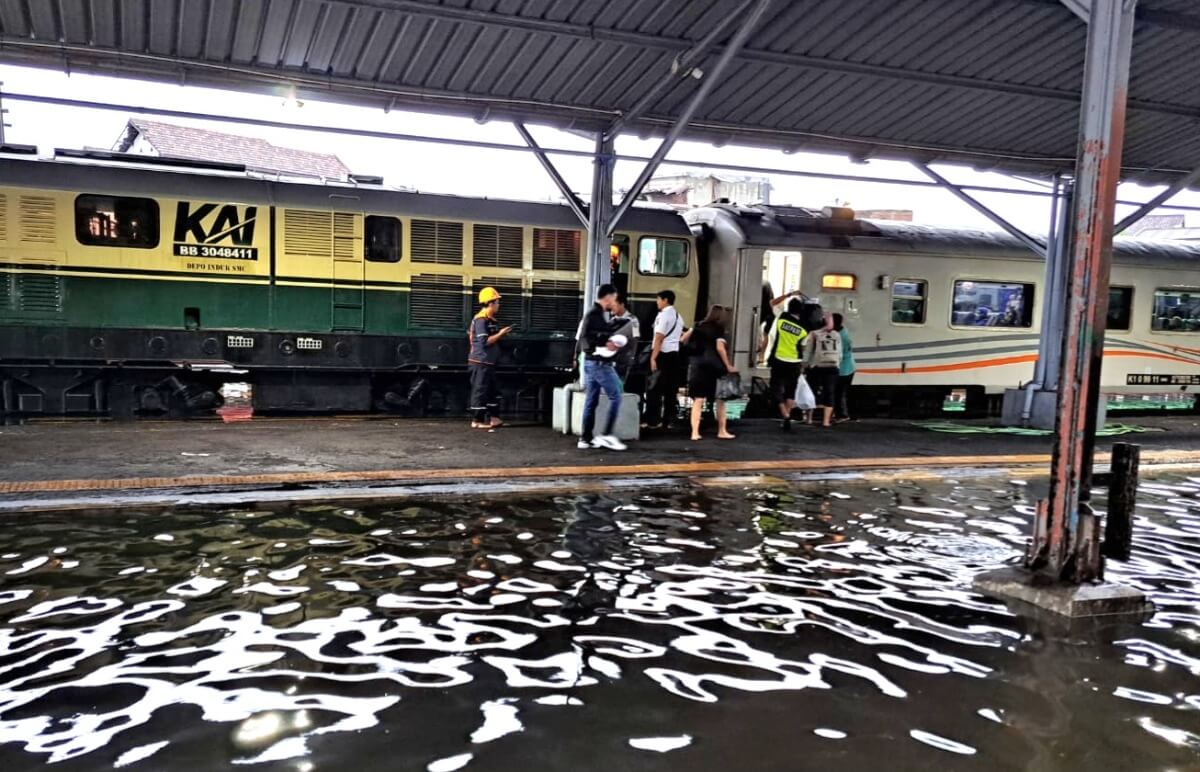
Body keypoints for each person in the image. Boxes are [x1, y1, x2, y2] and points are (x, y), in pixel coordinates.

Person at [577, 283, 628, 451]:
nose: (614, 302)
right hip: (599, 363)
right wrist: (605, 343)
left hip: (591, 362)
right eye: (613, 299)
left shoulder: (594, 314)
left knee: (591, 400)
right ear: (608, 297)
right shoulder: (594, 315)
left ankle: (585, 438)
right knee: (616, 395)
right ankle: (606, 435)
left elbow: (586, 336)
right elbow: (588, 337)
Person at [682, 304, 737, 441]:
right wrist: (728, 365)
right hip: (714, 367)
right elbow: (720, 348)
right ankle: (722, 431)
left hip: (697, 365)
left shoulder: (697, 325)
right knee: (720, 400)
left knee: (698, 400)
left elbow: (683, 340)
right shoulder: (719, 329)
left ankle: (695, 433)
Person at [467, 286, 513, 429]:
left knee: (493, 391)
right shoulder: (481, 320)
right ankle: (477, 421)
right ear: (491, 303)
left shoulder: (491, 320)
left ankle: (494, 418)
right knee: (480, 390)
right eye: (497, 302)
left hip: (490, 362)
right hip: (480, 361)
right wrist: (501, 334)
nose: (499, 305)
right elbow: (484, 342)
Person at [761, 298, 808, 430]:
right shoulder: (804, 329)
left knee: (776, 387)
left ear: (789, 308)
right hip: (795, 361)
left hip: (779, 358)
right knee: (791, 390)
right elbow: (803, 347)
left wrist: (789, 294)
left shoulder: (781, 318)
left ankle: (784, 413)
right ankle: (786, 417)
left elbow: (772, 303)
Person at [643, 289, 684, 429]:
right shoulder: (679, 317)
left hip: (662, 354)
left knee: (654, 388)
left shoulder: (663, 316)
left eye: (658, 299)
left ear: (665, 300)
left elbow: (659, 338)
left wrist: (653, 358)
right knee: (671, 390)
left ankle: (653, 420)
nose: (657, 302)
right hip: (675, 355)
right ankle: (670, 419)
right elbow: (681, 337)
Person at [804, 312, 842, 428]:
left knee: (811, 392)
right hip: (832, 366)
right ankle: (826, 421)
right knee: (829, 393)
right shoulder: (836, 334)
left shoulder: (814, 334)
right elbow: (840, 353)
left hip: (816, 367)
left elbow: (807, 351)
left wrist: (805, 365)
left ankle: (809, 419)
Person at [610, 295, 641, 386]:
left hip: (624, 360)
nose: (612, 308)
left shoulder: (633, 320)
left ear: (622, 305)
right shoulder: (612, 320)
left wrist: (632, 357)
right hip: (612, 359)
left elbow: (635, 339)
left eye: (614, 305)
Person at [832, 312, 855, 423]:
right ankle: (841, 414)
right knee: (841, 392)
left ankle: (842, 415)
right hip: (849, 366)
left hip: (843, 368)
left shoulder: (839, 336)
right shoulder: (843, 331)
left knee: (839, 393)